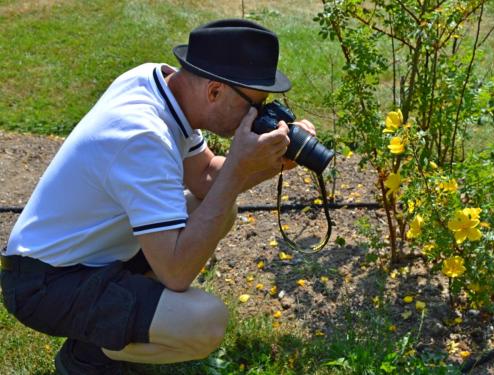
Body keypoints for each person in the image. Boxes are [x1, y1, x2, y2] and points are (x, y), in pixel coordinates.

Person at [0, 19, 316, 374]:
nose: (258, 116)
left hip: (90, 257)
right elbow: (176, 272)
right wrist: (241, 167)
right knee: (204, 323)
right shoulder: (143, 136)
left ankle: (112, 326)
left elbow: (207, 176)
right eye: (255, 105)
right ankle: (91, 355)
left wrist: (273, 162)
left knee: (212, 209)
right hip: (45, 284)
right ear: (214, 92)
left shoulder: (156, 82)